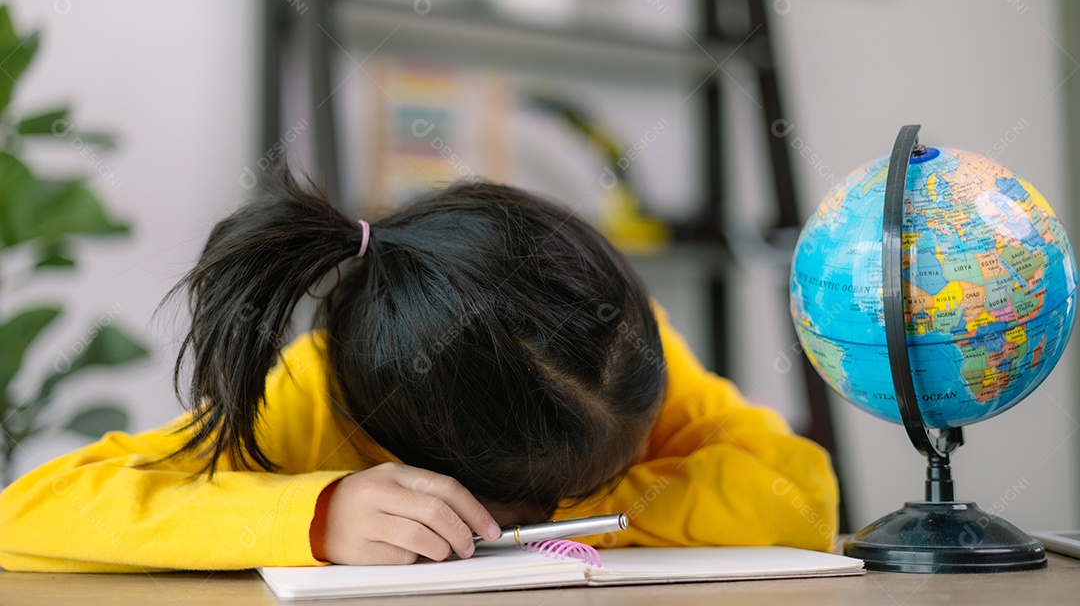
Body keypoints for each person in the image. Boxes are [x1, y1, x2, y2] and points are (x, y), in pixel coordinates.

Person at [0, 168, 838, 572]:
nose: (556, 509)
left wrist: (588, 513)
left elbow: (802, 495)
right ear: (393, 442)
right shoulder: (317, 396)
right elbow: (26, 515)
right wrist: (318, 515)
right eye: (538, 499)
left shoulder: (616, 350)